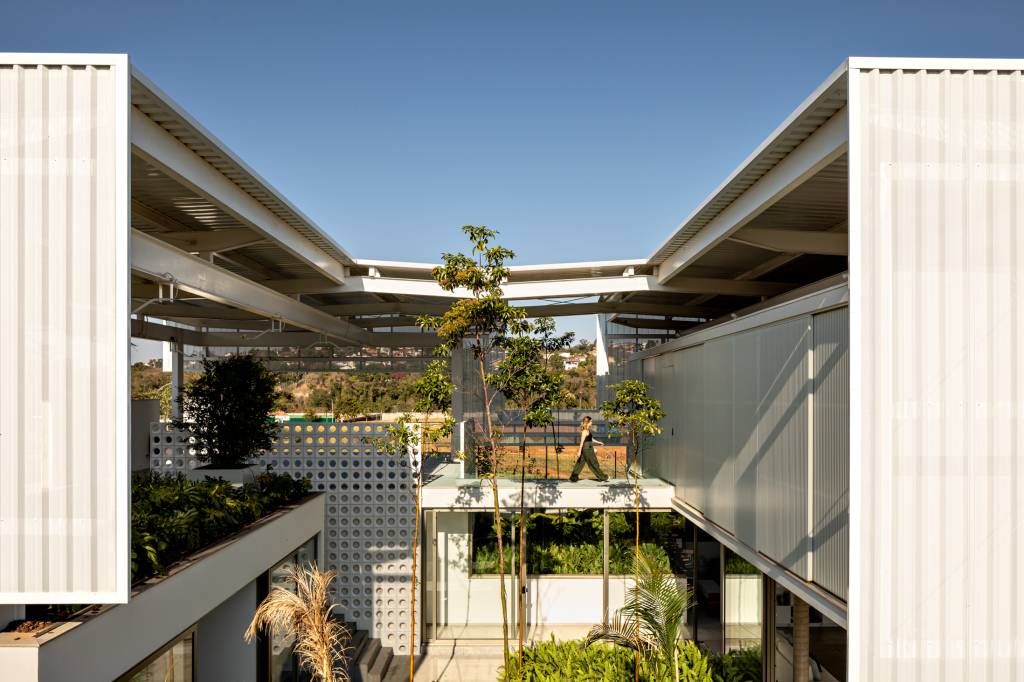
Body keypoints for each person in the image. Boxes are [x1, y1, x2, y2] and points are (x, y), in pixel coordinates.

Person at [569, 416, 609, 482]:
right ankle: (602, 477)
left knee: (580, 463)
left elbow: (591, 439)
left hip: (587, 448)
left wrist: (599, 442)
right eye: (591, 421)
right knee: (593, 463)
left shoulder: (588, 430)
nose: (592, 423)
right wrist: (579, 451)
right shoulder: (584, 431)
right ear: (588, 422)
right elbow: (581, 442)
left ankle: (573, 477)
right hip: (587, 449)